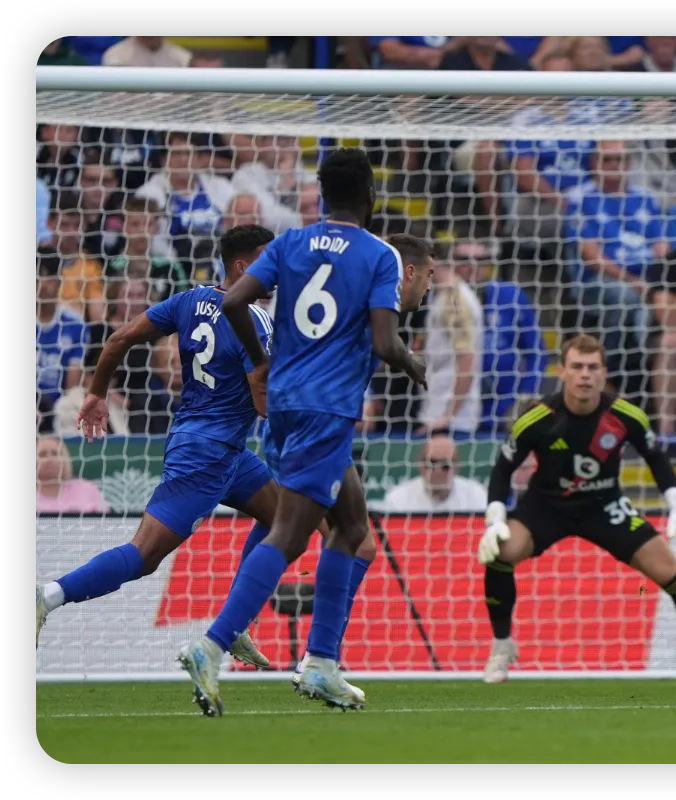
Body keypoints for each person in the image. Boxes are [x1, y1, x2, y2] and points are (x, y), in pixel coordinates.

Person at [177, 148, 432, 717]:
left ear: (322, 194)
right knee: (291, 536)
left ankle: (321, 662)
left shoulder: (290, 243)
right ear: (370, 197)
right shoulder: (379, 254)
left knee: (353, 527)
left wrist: (260, 362)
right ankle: (211, 646)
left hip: (285, 404)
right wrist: (412, 363)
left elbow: (235, 300)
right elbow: (385, 341)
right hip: (326, 407)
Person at [39, 226, 301, 669]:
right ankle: (48, 596)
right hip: (207, 456)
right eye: (266, 260)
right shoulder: (255, 322)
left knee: (284, 517)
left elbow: (118, 339)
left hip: (216, 446)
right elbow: (263, 401)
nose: (275, 271)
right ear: (242, 267)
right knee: (144, 555)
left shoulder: (188, 301)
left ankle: (236, 622)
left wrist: (96, 393)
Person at [478, 334, 676, 684]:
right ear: (563, 372)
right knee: (501, 552)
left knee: (671, 573)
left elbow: (656, 458)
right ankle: (502, 647)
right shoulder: (538, 418)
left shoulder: (625, 415)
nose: (585, 375)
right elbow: (503, 469)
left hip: (604, 504)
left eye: (592, 367)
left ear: (604, 373)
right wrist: (495, 517)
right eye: (577, 367)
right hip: (545, 506)